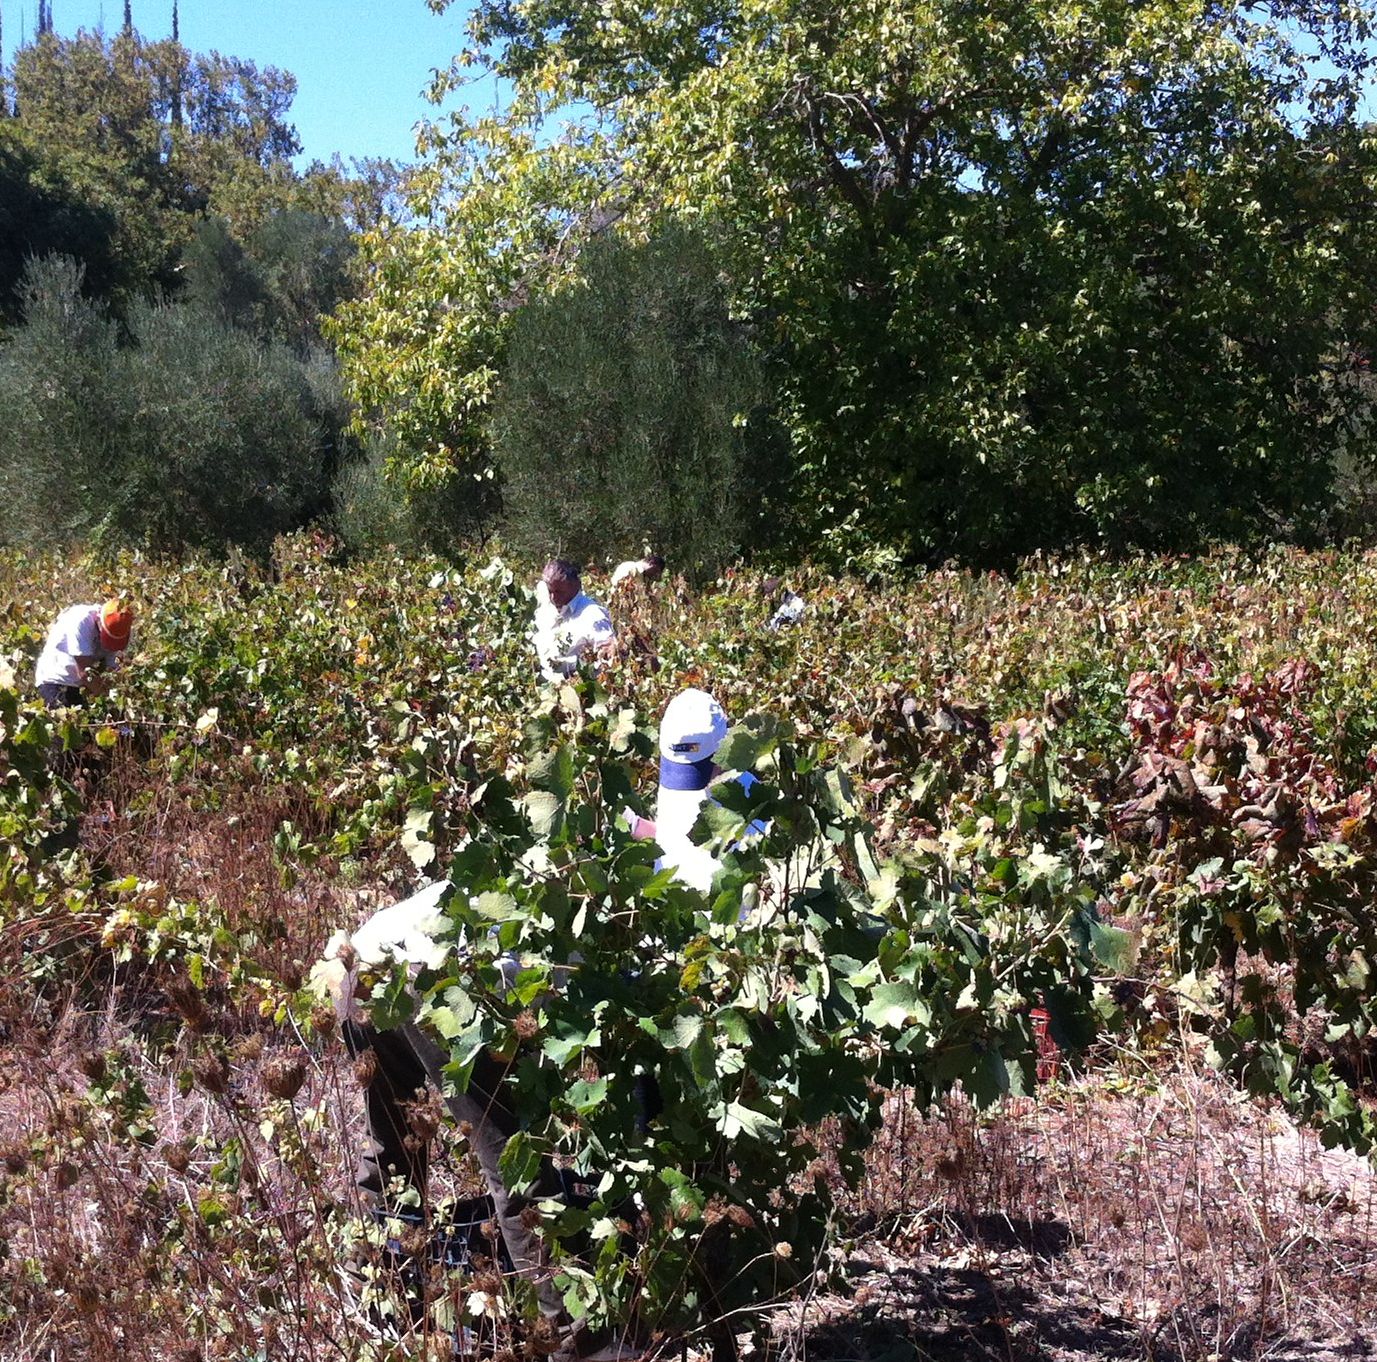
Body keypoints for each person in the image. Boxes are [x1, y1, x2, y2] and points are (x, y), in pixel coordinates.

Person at [627, 688, 764, 893]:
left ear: (723, 751)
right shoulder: (673, 785)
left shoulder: (754, 804)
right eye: (677, 769)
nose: (682, 785)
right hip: (668, 910)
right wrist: (633, 824)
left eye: (694, 771)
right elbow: (676, 835)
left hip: (716, 923)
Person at [34, 598, 134, 708]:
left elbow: (113, 669)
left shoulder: (121, 628)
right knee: (70, 721)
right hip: (55, 682)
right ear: (100, 622)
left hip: (81, 687)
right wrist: (109, 702)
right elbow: (85, 674)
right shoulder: (81, 621)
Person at [532, 559, 615, 682]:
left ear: (575, 585)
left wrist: (574, 672)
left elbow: (608, 659)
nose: (553, 597)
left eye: (559, 591)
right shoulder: (546, 605)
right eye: (550, 591)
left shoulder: (593, 615)